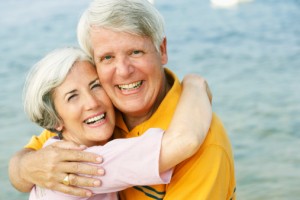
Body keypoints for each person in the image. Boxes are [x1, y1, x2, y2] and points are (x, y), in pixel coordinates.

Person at [9, 0, 236, 199]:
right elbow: (20, 170)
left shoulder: (205, 141)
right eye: (107, 57)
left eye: (135, 52)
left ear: (162, 50)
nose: (124, 71)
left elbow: (187, 141)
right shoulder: (93, 122)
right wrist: (27, 166)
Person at [22, 47, 211, 199]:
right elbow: (185, 140)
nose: (92, 103)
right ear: (55, 120)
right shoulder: (83, 162)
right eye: (72, 97)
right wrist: (194, 84)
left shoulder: (51, 150)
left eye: (95, 86)